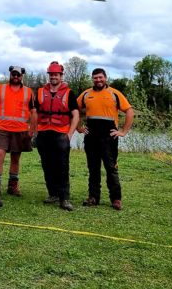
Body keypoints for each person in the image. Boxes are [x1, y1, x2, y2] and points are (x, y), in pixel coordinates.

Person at [77, 68, 134, 210]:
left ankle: (116, 199)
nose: (98, 80)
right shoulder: (86, 94)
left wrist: (123, 131)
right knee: (93, 168)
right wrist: (79, 127)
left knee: (111, 168)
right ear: (92, 79)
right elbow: (74, 109)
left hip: (109, 137)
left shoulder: (114, 93)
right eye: (95, 78)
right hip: (91, 136)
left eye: (100, 77)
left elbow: (129, 111)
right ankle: (93, 197)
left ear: (106, 78)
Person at [35, 61, 79, 211]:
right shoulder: (41, 92)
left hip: (61, 134)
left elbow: (76, 115)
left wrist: (69, 134)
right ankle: (52, 194)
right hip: (43, 134)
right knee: (47, 165)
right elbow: (34, 113)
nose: (53, 77)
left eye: (56, 74)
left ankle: (64, 198)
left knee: (62, 166)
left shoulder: (69, 93)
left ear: (61, 76)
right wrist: (34, 131)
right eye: (51, 74)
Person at [0, 66, 36, 198]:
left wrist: (32, 130)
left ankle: (12, 186)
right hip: (1, 129)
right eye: (13, 74)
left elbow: (33, 112)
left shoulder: (29, 92)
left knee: (15, 159)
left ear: (22, 76)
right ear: (10, 74)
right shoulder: (0, 89)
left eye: (18, 75)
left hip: (20, 130)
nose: (16, 77)